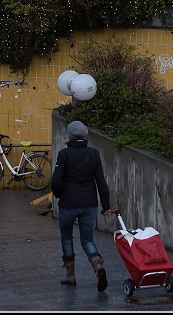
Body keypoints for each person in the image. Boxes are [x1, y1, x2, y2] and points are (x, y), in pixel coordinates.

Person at [50, 120, 114, 290]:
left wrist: (59, 195)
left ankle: (70, 275)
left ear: (70, 135)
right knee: (87, 239)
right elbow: (101, 181)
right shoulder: (94, 154)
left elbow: (56, 181)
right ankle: (98, 265)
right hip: (89, 204)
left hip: (68, 204)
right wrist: (106, 206)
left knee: (67, 237)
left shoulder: (65, 154)